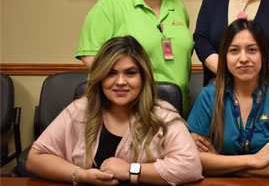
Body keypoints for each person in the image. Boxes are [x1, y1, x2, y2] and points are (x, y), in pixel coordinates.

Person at [27, 36, 203, 185]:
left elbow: (190, 166)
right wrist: (80, 175)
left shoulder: (163, 114)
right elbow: (36, 158)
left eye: (130, 73)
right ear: (100, 77)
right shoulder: (80, 110)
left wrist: (131, 170)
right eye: (111, 73)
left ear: (143, 77)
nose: (120, 81)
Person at [76, 0, 193, 116]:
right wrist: (124, 88)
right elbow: (90, 57)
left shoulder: (178, 7)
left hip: (177, 108)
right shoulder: (110, 5)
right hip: (128, 110)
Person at [187, 19, 269, 178]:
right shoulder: (209, 96)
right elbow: (194, 160)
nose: (243, 58)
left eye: (252, 50)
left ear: (263, 55)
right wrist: (253, 160)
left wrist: (219, 162)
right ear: (225, 57)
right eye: (234, 50)